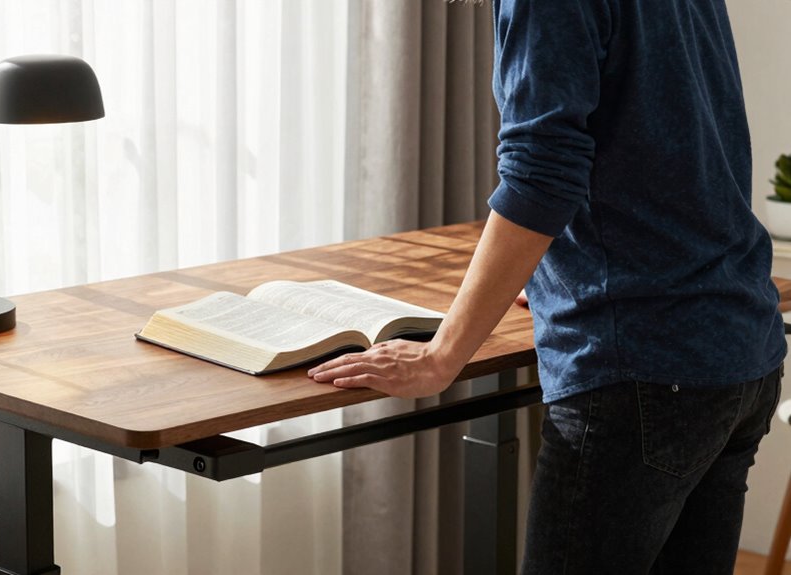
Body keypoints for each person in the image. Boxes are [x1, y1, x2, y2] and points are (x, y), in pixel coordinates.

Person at [308, 0, 786, 572]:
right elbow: (672, 136)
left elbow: (540, 174)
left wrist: (441, 356)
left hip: (644, 365)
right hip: (736, 344)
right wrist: (565, 268)